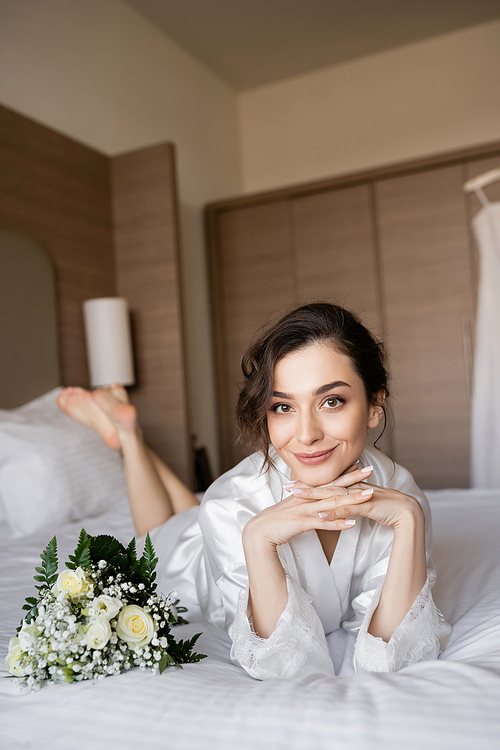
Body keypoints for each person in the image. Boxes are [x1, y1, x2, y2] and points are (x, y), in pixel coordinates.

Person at [58, 302, 450, 680]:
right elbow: (288, 667)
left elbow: (392, 659)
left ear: (374, 405)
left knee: (191, 510)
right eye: (283, 407)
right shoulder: (231, 506)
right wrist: (258, 537)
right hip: (198, 557)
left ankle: (128, 433)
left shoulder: (400, 495)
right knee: (158, 535)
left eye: (332, 401)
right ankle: (128, 437)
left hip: (213, 509)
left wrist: (410, 518)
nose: (307, 435)